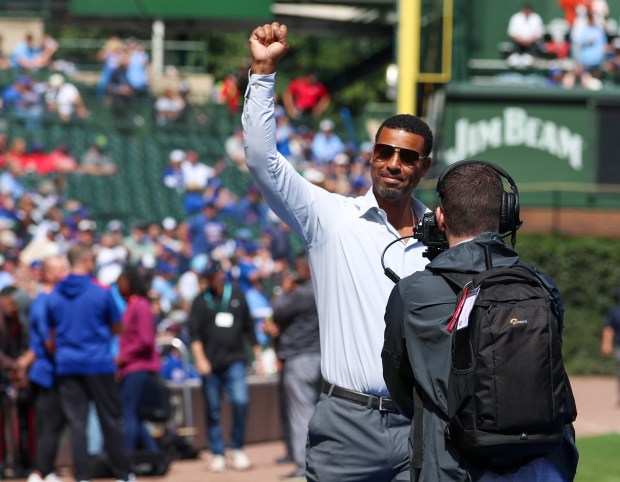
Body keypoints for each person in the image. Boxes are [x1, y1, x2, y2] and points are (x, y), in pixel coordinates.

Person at [244, 22, 432, 482]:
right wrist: (264, 73)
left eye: (407, 157)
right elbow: (263, 161)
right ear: (370, 156)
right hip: (347, 422)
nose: (394, 164)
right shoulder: (331, 218)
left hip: (421, 425)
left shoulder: (440, 237)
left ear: (424, 166)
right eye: (385, 152)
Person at [382, 161, 579, 481]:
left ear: (441, 217)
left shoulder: (413, 293)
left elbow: (400, 384)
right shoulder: (543, 286)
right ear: (506, 216)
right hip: (543, 465)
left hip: (453, 466)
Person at [45, 243, 132, 482]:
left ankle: (82, 476)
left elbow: (50, 335)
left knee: (77, 423)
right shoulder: (100, 292)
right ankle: (123, 475)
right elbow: (118, 326)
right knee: (110, 419)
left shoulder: (54, 294)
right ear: (85, 261)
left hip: (68, 365)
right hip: (98, 363)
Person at [188, 260, 262, 472]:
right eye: (207, 277)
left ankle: (237, 447)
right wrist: (200, 359)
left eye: (214, 275)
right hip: (210, 364)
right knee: (212, 409)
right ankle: (218, 452)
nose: (211, 279)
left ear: (222, 274)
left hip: (235, 360)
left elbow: (249, 328)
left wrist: (257, 355)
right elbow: (194, 334)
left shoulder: (238, 296)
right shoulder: (201, 301)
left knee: (240, 401)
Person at [269, 252, 321, 480]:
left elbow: (277, 312)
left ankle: (304, 466)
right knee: (322, 414)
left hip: (301, 359)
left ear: (303, 269)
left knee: (301, 415)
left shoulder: (302, 292)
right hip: (325, 360)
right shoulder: (326, 288)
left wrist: (284, 288)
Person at [18, 255, 69, 482]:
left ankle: (44, 469)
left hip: (52, 370)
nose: (65, 273)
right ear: (48, 274)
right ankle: (41, 471)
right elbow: (46, 341)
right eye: (60, 269)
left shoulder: (56, 297)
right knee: (50, 423)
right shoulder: (44, 300)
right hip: (47, 372)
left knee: (55, 423)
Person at [115, 265, 161, 454]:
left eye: (122, 282)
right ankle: (153, 454)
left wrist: (123, 357)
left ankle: (128, 458)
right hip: (132, 367)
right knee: (133, 413)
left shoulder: (140, 304)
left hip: (138, 367)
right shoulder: (132, 304)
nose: (119, 285)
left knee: (129, 414)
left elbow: (146, 339)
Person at [506, 3, 545, 68]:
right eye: (525, 10)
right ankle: (514, 59)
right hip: (518, 43)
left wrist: (530, 41)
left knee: (534, 48)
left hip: (532, 44)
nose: (526, 12)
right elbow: (512, 33)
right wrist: (521, 41)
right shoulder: (516, 17)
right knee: (514, 54)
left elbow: (539, 34)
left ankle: (530, 59)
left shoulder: (536, 18)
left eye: (528, 10)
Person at [601, 287, 620, 405]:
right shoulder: (615, 312)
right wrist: (606, 344)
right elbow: (609, 329)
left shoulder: (615, 312)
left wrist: (606, 344)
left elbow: (608, 329)